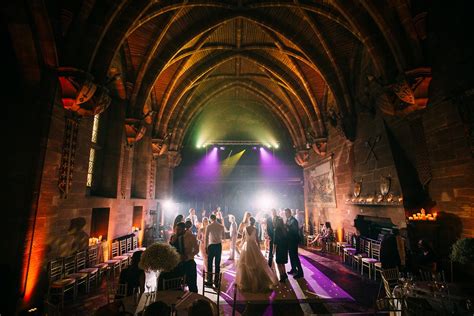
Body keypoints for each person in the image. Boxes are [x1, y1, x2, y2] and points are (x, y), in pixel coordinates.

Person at [236, 216, 278, 292]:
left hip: (246, 246)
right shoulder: (255, 229)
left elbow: (243, 239)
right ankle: (257, 282)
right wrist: (258, 248)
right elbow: (257, 240)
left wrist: (241, 245)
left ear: (249, 222)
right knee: (256, 263)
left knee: (245, 263)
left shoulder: (245, 228)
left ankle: (245, 282)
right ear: (254, 222)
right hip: (253, 246)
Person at [205, 214, 225, 287]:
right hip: (218, 246)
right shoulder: (221, 226)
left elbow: (206, 237)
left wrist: (205, 247)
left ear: (210, 219)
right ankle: (216, 282)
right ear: (216, 218)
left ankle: (209, 281)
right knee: (217, 264)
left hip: (211, 246)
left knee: (209, 263)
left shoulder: (209, 226)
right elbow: (224, 237)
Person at [285, 208, 304, 278]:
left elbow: (295, 231)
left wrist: (287, 228)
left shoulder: (294, 221)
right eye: (285, 213)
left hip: (293, 241)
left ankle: (300, 272)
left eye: (286, 213)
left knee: (295, 257)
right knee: (291, 256)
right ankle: (293, 269)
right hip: (289, 241)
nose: (286, 215)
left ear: (290, 213)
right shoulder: (288, 220)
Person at [182, 219, 200, 292]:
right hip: (183, 262)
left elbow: (196, 250)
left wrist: (188, 255)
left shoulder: (190, 236)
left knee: (191, 284)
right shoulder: (177, 237)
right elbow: (196, 250)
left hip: (188, 261)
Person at [274, 216, 289, 282]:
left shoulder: (276, 230)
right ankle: (284, 273)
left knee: (278, 262)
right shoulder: (285, 229)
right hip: (284, 247)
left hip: (279, 248)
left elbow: (275, 241)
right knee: (282, 262)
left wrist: (273, 251)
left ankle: (281, 275)